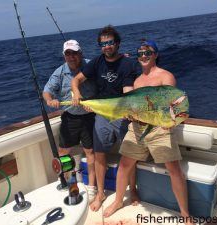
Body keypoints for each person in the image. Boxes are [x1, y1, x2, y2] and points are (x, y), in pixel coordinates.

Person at [103, 39, 195, 225]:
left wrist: (170, 122)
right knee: (124, 165)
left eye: (148, 52)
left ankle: (185, 214)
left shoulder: (165, 76)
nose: (143, 56)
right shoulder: (137, 81)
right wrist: (129, 114)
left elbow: (174, 103)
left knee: (174, 170)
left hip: (160, 129)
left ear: (155, 55)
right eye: (140, 53)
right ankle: (118, 201)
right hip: (137, 129)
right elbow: (134, 107)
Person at [71, 25, 138, 211]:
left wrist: (129, 107)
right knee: (99, 154)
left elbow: (128, 91)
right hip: (101, 114)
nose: (107, 46)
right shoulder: (96, 62)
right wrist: (77, 95)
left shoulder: (129, 64)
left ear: (117, 43)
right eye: (103, 43)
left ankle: (132, 190)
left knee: (130, 155)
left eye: (110, 42)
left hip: (123, 115)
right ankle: (100, 194)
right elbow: (75, 80)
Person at [43, 40, 97, 198]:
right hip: (70, 117)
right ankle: (68, 180)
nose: (71, 57)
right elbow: (47, 91)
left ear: (80, 53)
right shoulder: (59, 72)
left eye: (74, 53)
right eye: (68, 54)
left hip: (90, 116)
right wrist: (49, 100)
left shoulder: (90, 65)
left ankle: (92, 186)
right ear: (64, 56)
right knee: (63, 151)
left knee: (90, 151)